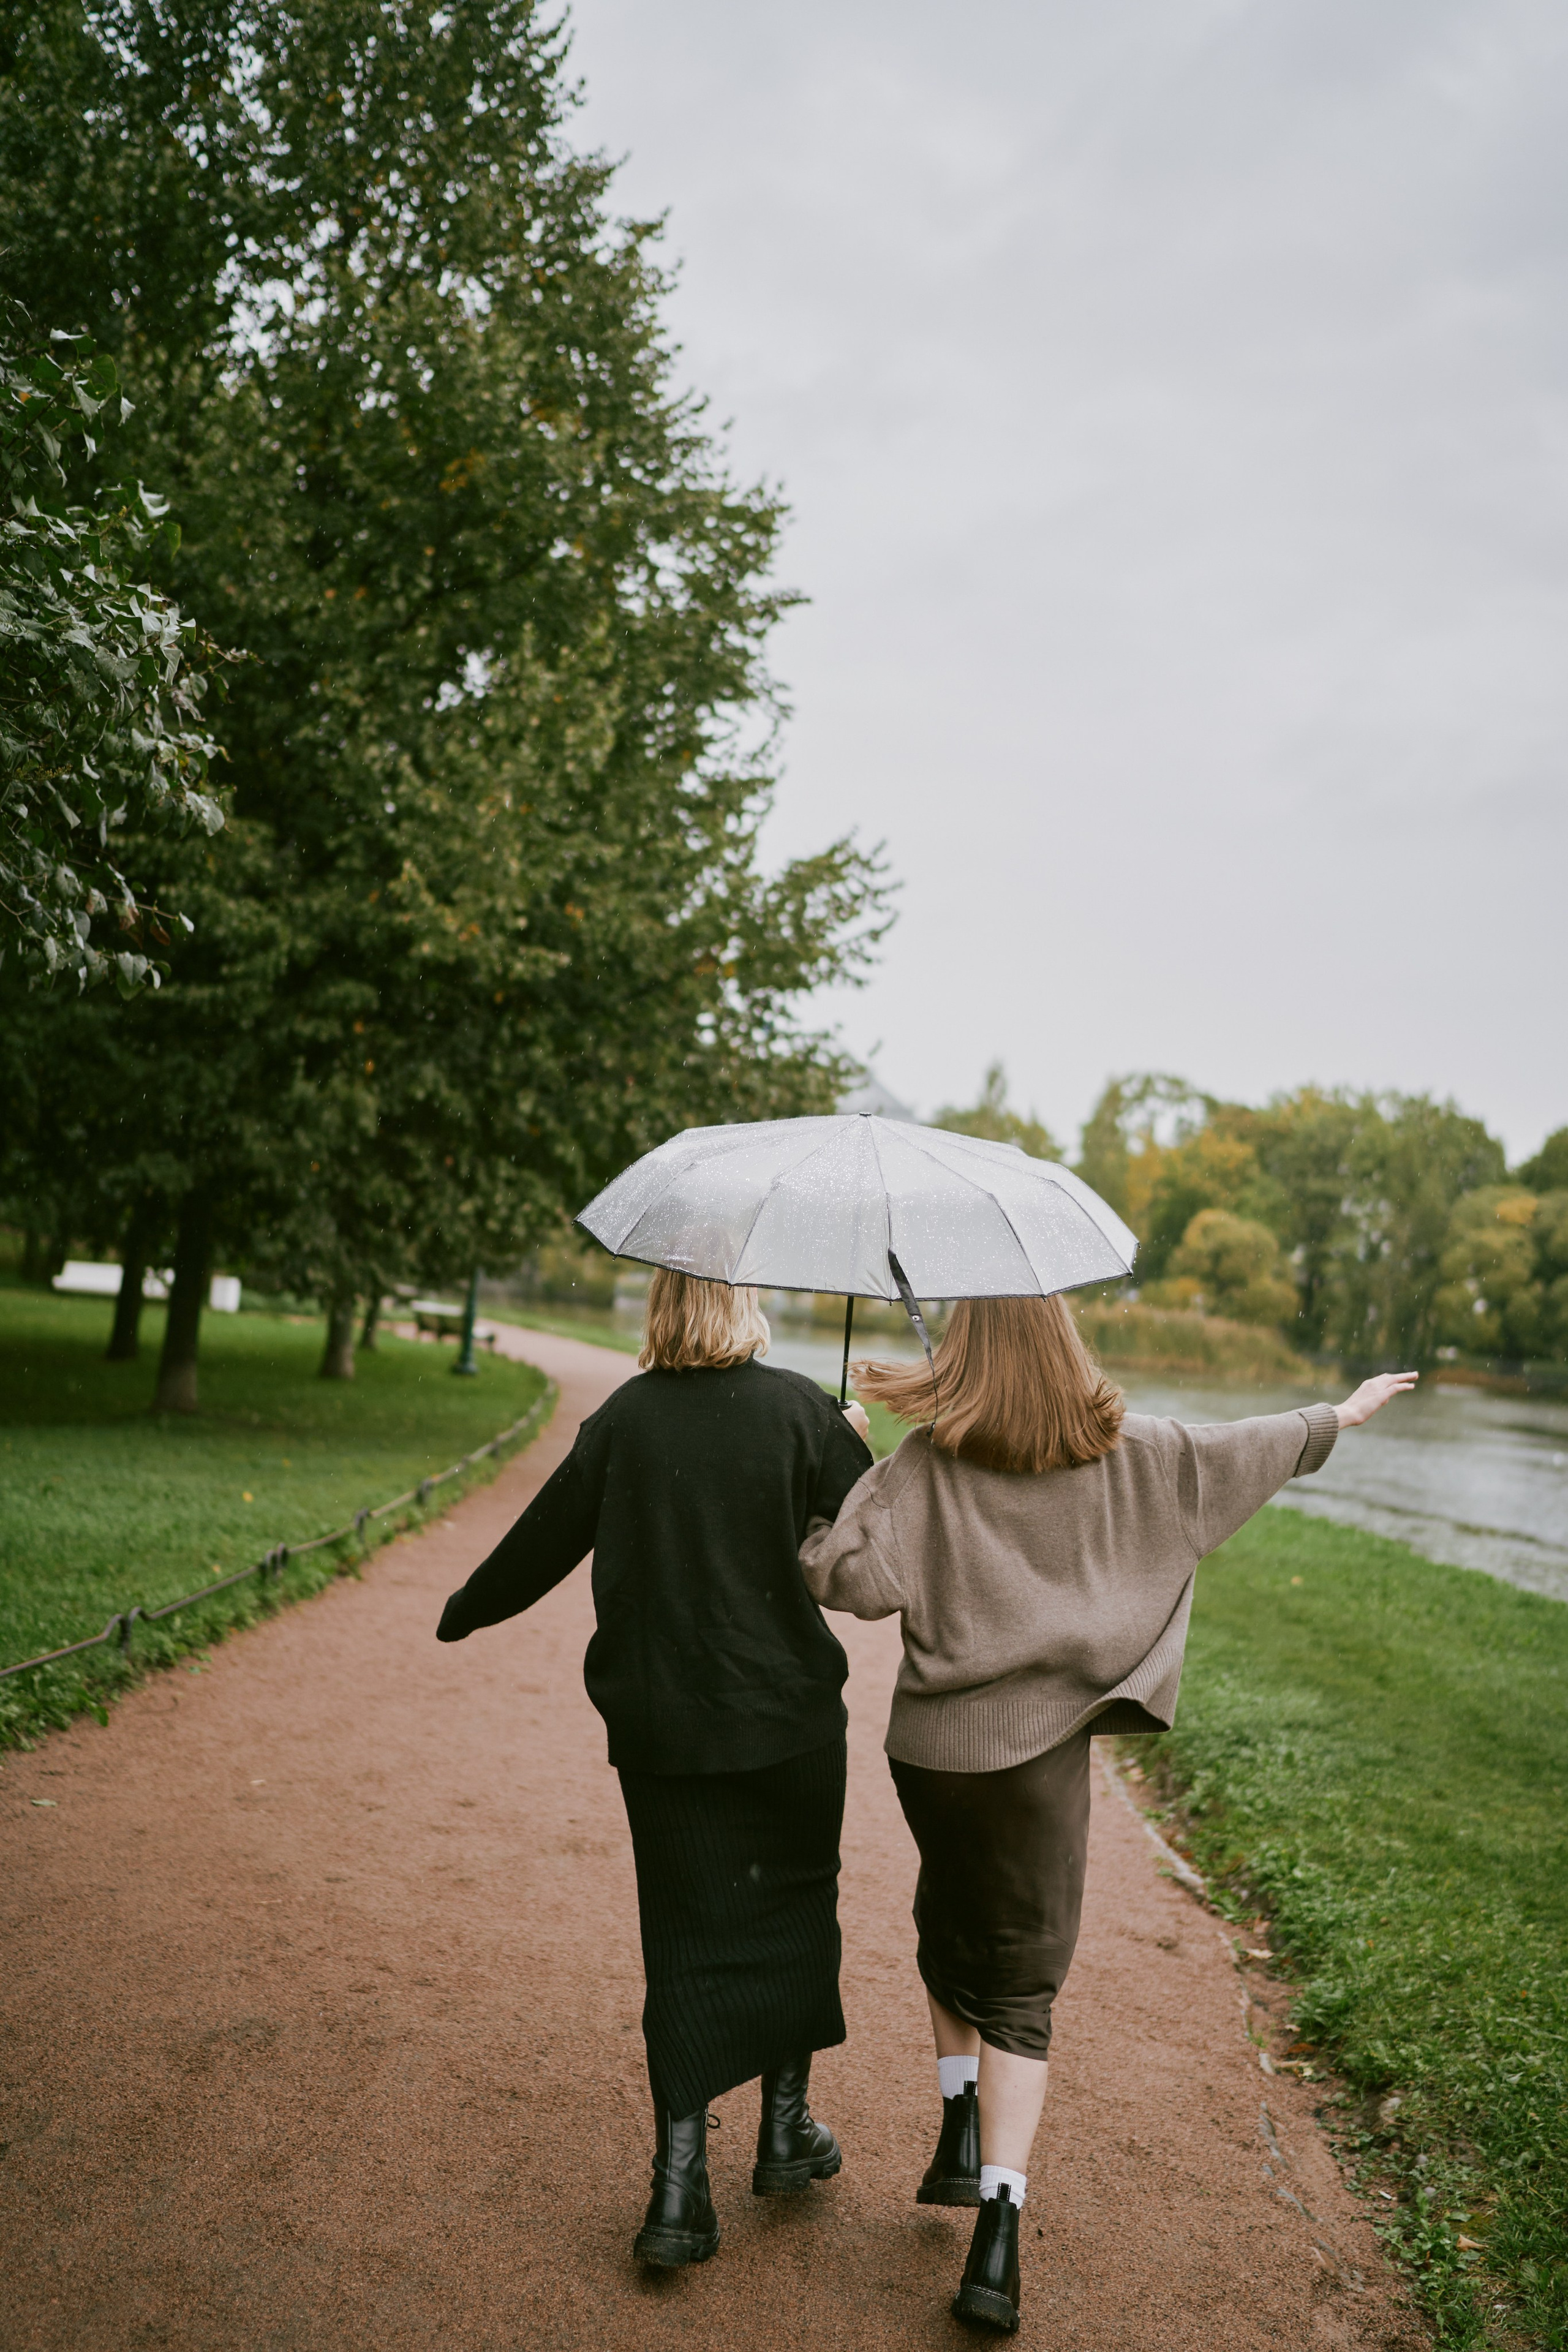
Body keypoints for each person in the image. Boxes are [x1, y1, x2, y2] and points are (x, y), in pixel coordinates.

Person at [800, 1292, 1415, 2335]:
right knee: (1025, 1981)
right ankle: (996, 2238)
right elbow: (1235, 1449)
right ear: (1065, 1346)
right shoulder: (1139, 1456)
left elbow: (843, 1580)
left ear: (964, 1354)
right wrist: (1336, 1418)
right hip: (1040, 1763)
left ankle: (958, 2125)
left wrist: (843, 1475)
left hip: (932, 1757)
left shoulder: (923, 1467)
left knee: (948, 1922)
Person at [435, 1268, 874, 2269]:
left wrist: (464, 1609)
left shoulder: (625, 1421)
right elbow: (875, 1555)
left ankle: (679, 2193)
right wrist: (853, 1446)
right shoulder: (801, 1409)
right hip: (789, 1720)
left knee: (682, 1934)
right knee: (798, 1910)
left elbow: (539, 1544)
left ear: (663, 1310)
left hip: (665, 1728)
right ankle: (784, 2130)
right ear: (744, 1306)